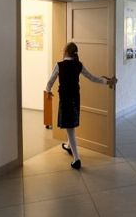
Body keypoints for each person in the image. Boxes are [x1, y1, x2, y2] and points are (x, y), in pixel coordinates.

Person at [46, 42, 117, 170]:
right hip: (75, 99)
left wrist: (48, 91)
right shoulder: (79, 65)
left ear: (65, 52)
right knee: (71, 124)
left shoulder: (59, 65)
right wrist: (107, 82)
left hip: (65, 100)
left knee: (70, 128)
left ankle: (76, 159)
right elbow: (92, 78)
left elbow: (50, 81)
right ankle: (69, 146)